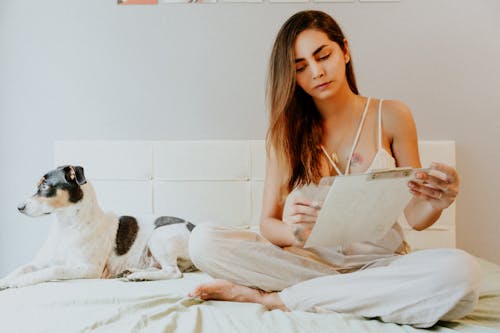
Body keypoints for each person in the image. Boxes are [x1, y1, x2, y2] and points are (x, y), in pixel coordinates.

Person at [188, 10, 480, 328]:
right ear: (292, 77)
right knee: (202, 241)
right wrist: (296, 234)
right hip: (305, 263)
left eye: (322, 55)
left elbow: (415, 217)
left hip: (379, 266)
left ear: (344, 49)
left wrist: (436, 201)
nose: (316, 72)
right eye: (300, 67)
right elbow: (268, 223)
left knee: (461, 273)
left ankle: (273, 298)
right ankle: (341, 293)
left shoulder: (392, 114)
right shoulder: (284, 133)